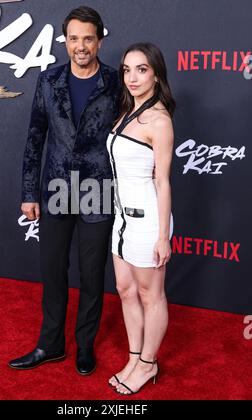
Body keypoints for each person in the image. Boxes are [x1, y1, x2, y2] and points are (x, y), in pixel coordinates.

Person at [8, 6, 119, 375]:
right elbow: (34, 139)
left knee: (91, 273)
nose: (81, 46)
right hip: (56, 186)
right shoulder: (48, 80)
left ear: (100, 40)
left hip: (98, 188)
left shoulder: (117, 82)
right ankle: (51, 344)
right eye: (74, 38)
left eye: (88, 38)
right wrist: (29, 191)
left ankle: (85, 346)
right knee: (53, 270)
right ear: (66, 41)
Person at [106, 43, 175, 395]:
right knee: (125, 289)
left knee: (152, 295)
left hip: (147, 221)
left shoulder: (159, 120)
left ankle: (148, 364)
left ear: (156, 74)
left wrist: (163, 236)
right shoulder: (127, 112)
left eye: (141, 69)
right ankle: (135, 357)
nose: (132, 77)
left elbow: (162, 182)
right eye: (127, 69)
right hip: (121, 218)